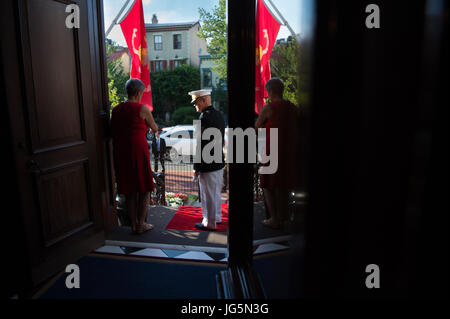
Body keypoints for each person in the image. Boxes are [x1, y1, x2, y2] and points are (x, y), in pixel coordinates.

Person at [111, 78, 159, 234]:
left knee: (130, 189)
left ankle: (132, 224)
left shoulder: (116, 109)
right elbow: (154, 127)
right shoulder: (142, 109)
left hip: (121, 152)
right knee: (145, 188)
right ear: (139, 93)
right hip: (138, 151)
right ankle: (141, 224)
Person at [255, 78, 298, 229]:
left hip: (272, 150)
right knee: (282, 185)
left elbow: (256, 127)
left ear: (271, 91)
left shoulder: (269, 108)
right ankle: (282, 217)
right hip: (289, 151)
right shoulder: (292, 107)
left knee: (267, 184)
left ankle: (274, 218)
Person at [189, 89, 226, 231]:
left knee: (207, 193)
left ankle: (209, 223)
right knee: (215, 191)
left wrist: (196, 167)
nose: (195, 105)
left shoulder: (203, 117)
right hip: (218, 161)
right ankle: (216, 217)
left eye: (196, 102)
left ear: (204, 100)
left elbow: (201, 145)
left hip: (207, 163)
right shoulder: (219, 115)